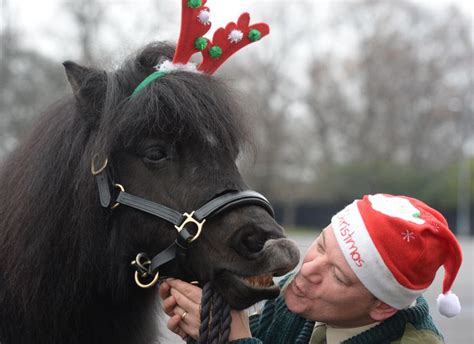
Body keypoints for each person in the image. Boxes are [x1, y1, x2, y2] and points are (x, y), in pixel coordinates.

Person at [159, 193, 463, 343]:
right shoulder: (299, 294)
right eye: (321, 245)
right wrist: (211, 327)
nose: (308, 270)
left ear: (382, 307)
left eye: (338, 276)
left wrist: (237, 341)